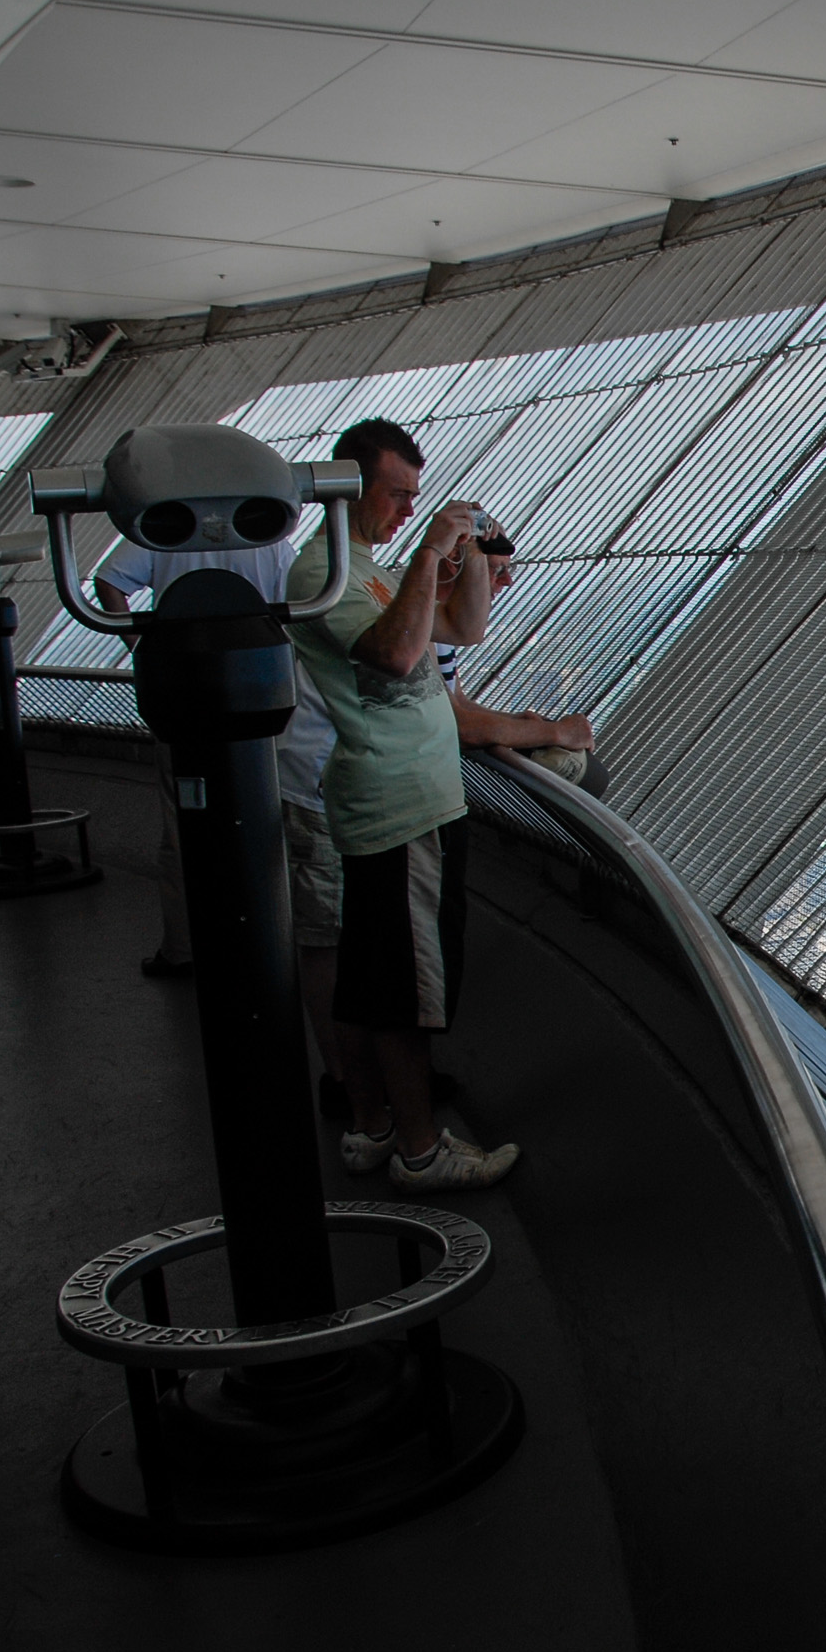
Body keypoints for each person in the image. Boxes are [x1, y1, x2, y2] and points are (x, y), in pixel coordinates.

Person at [285, 417, 515, 1192]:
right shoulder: (327, 575)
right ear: (348, 484)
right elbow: (395, 654)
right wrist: (427, 555)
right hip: (396, 804)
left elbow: (463, 628)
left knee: (375, 977)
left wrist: (472, 556)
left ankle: (373, 1124)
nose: (406, 512)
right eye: (396, 495)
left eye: (416, 498)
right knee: (403, 993)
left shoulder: (371, 570)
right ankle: (419, 1149)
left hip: (405, 800)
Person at [93, 536, 304, 979]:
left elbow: (109, 581)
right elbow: (295, 606)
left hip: (184, 695)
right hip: (255, 697)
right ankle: (267, 935)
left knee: (183, 825)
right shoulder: (269, 541)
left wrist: (142, 647)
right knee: (261, 814)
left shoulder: (162, 534)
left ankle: (184, 947)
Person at [433, 536, 607, 793]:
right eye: (497, 569)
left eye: (509, 569)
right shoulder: (420, 625)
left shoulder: (438, 627)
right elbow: (459, 726)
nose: (507, 581)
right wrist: (556, 733)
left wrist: (523, 725)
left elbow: (457, 701)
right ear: (453, 563)